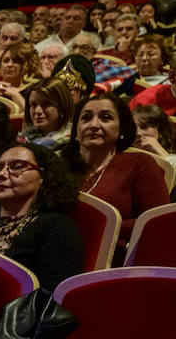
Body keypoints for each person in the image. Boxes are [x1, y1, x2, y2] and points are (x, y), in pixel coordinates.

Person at [63, 92, 170, 253]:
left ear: (121, 129)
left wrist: (102, 225)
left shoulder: (139, 164)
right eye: (86, 118)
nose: (94, 124)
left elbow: (158, 223)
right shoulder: (60, 166)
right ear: (76, 130)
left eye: (105, 118)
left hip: (111, 256)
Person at [0, 143, 84, 291]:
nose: (2, 174)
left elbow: (51, 295)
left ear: (43, 177)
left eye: (17, 166)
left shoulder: (58, 229)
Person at [22, 77, 75, 150]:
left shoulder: (71, 142)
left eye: (46, 104)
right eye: (33, 105)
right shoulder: (26, 137)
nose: (38, 111)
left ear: (62, 106)